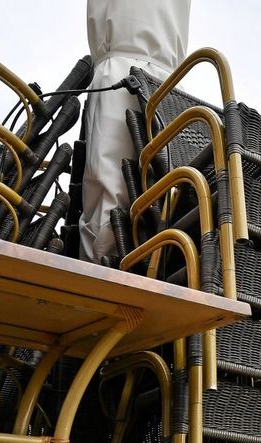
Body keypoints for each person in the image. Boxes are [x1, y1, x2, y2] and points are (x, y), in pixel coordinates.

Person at [78, 0, 191, 263]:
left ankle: (99, 275)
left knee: (112, 192)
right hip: (168, 83)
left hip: (121, 71)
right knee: (157, 193)